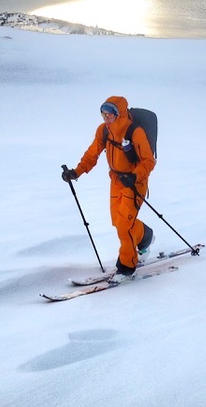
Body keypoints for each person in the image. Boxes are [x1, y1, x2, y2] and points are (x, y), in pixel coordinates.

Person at [62, 95, 156, 282]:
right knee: (118, 222)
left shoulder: (135, 132)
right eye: (103, 115)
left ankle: (127, 267)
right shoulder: (103, 131)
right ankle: (145, 236)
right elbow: (92, 154)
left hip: (134, 182)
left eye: (110, 115)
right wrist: (76, 172)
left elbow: (148, 161)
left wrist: (135, 176)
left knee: (124, 226)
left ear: (119, 114)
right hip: (116, 180)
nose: (106, 119)